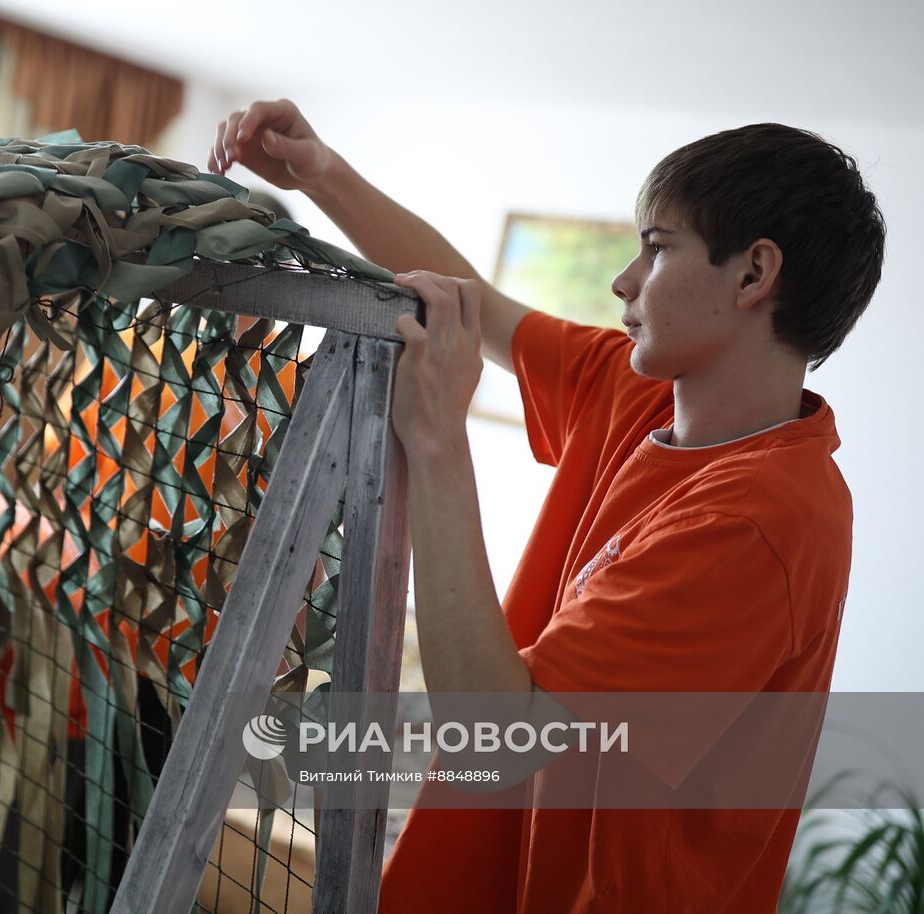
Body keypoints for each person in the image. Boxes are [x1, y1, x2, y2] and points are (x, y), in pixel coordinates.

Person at [208, 100, 884, 912]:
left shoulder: (761, 519)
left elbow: (498, 737)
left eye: (657, 249)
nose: (624, 281)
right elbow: (475, 306)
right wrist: (323, 174)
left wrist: (438, 443)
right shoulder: (642, 394)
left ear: (752, 273)